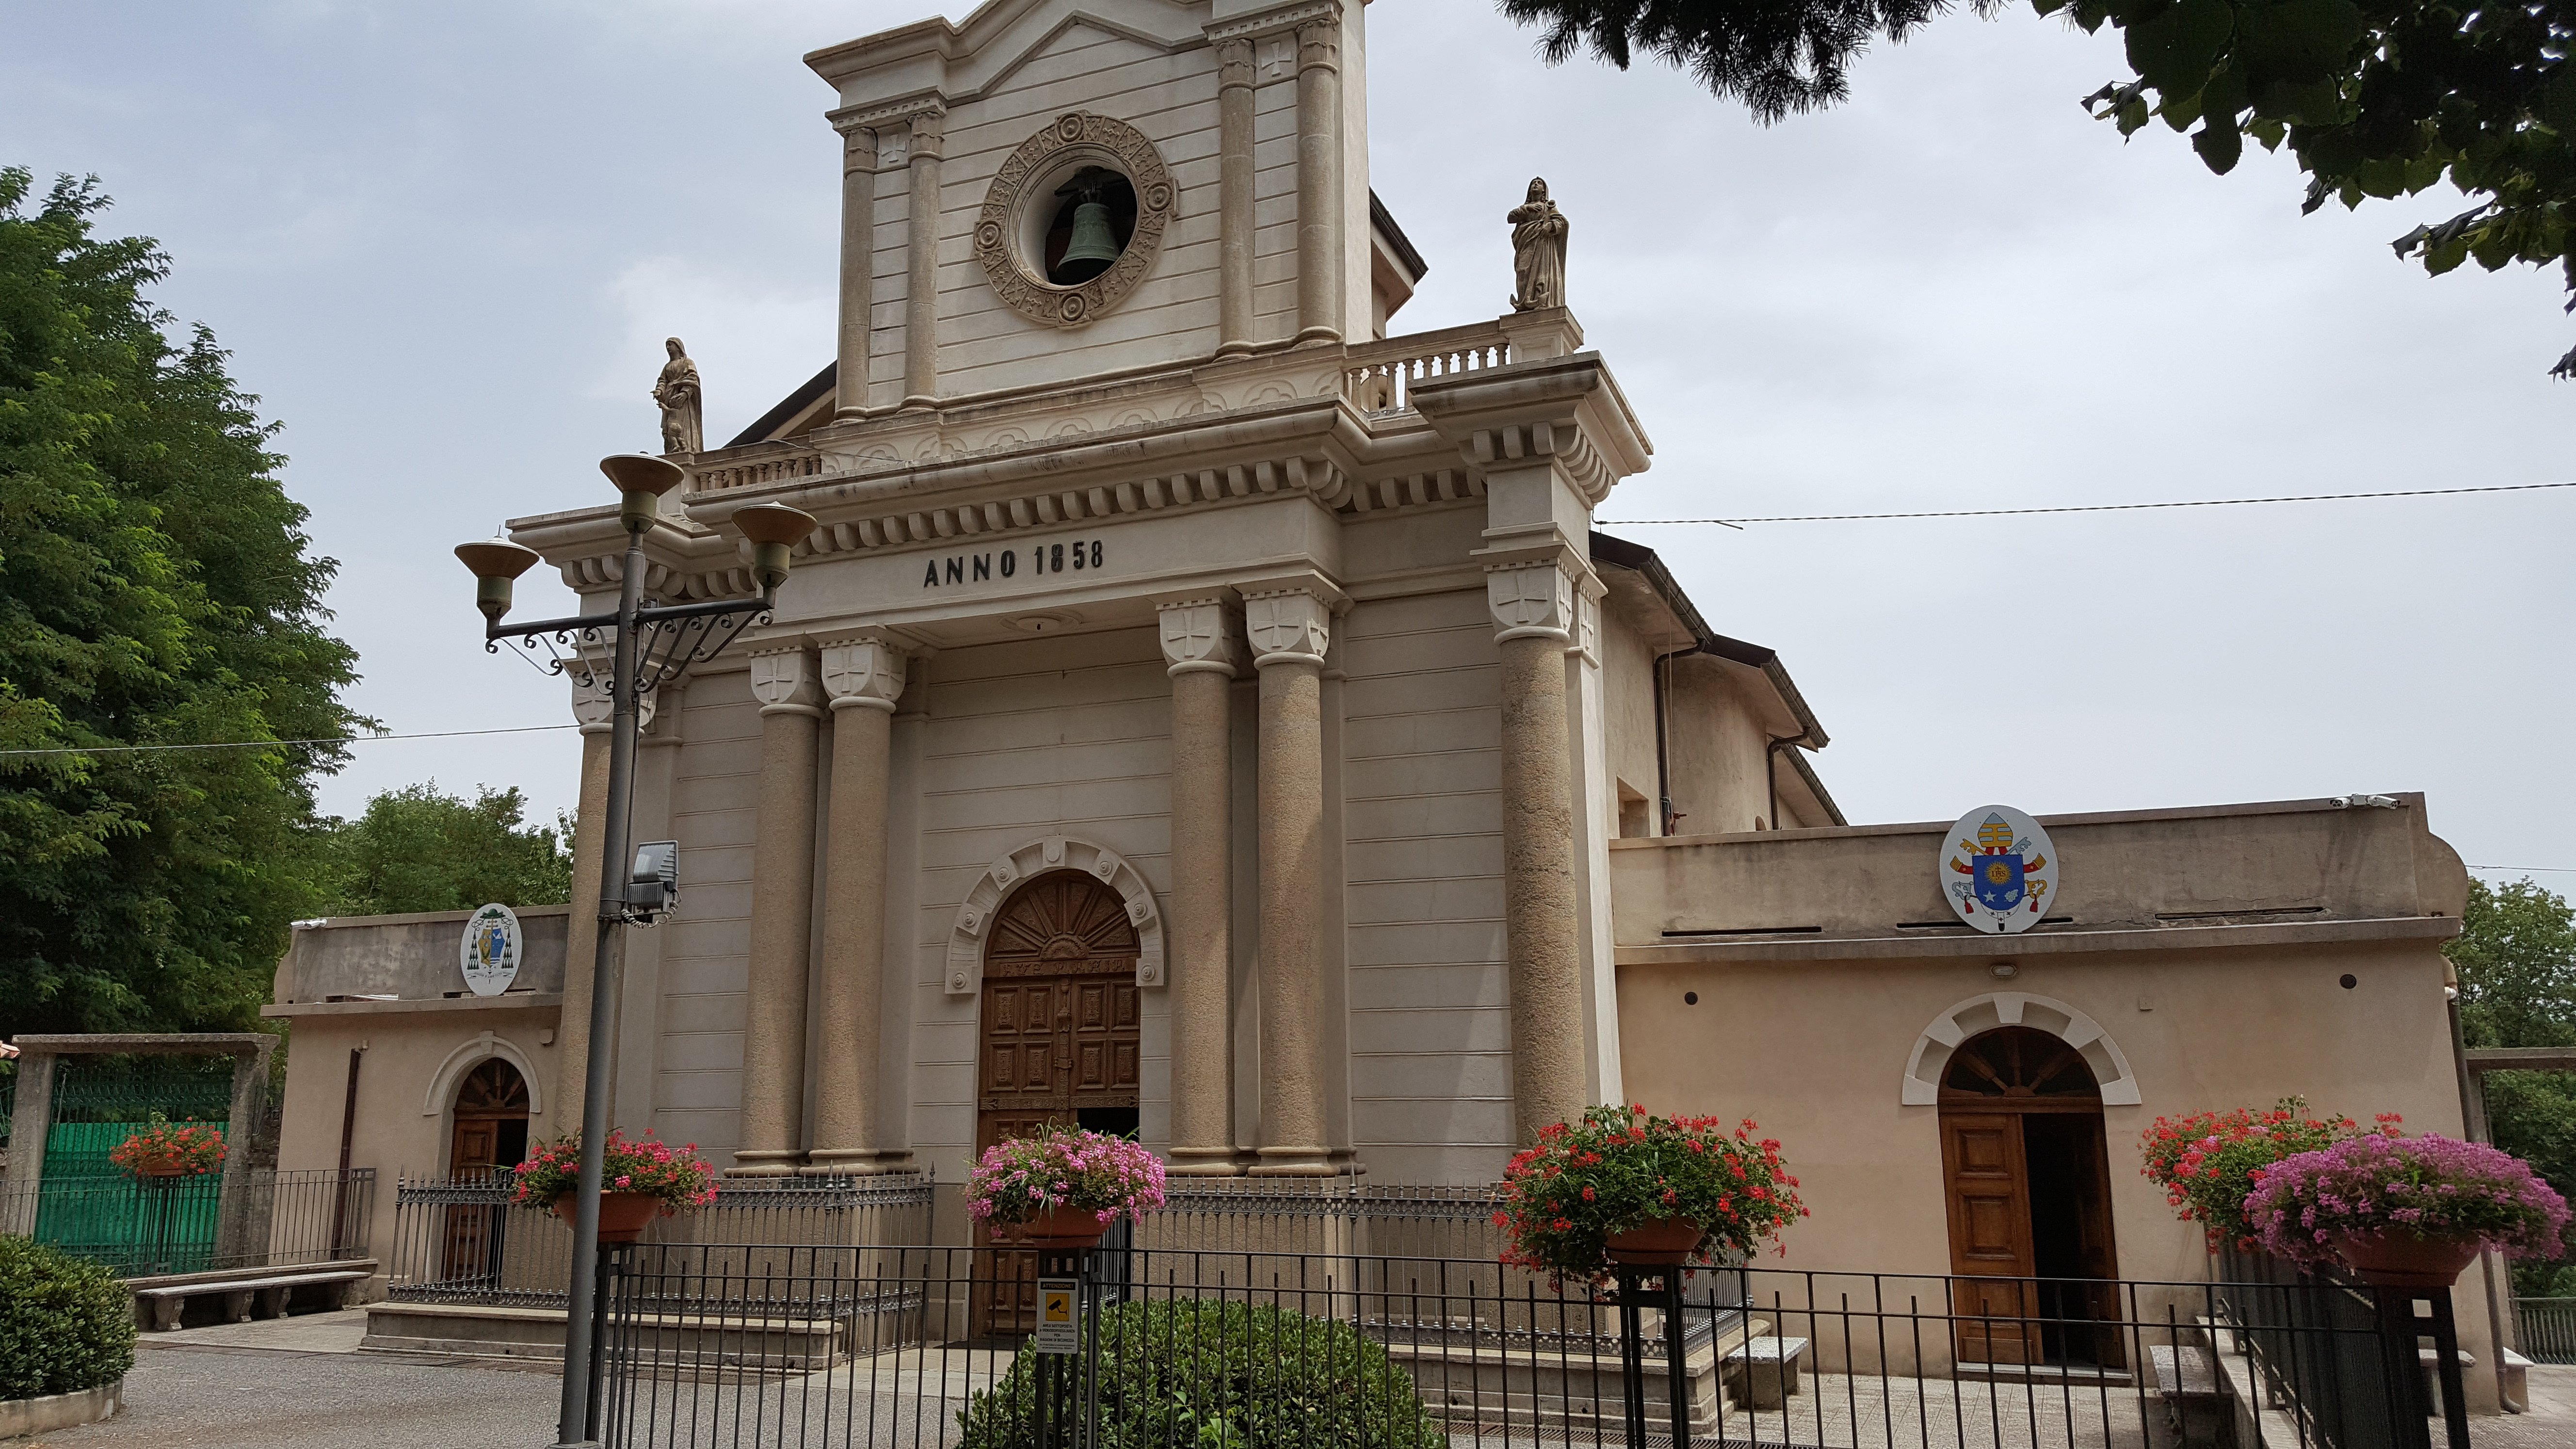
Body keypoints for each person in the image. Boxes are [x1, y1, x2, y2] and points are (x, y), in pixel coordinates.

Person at [1508, 178, 1568, 312]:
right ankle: (1523, 300)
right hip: (1526, 242)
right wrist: (1527, 208)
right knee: (1522, 271)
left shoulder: (1548, 208)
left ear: (1544, 191)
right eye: (1533, 183)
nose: (1536, 185)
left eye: (1539, 183)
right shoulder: (1525, 209)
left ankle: (1539, 298)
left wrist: (1551, 226)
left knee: (1541, 272)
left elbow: (1561, 222)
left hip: (1542, 244)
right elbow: (1510, 218)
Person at [653, 337, 704, 455]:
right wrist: (659, 391)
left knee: (682, 426)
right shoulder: (667, 367)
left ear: (678, 346)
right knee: (669, 429)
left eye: (671, 345)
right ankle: (673, 450)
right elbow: (662, 381)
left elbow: (693, 378)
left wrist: (685, 394)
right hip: (669, 399)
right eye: (667, 345)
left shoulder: (687, 362)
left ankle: (685, 449)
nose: (668, 348)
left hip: (684, 402)